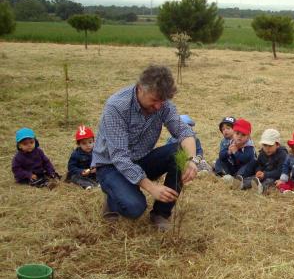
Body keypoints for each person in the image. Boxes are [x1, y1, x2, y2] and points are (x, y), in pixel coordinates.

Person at [92, 65, 198, 231]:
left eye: (162, 101)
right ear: (140, 88)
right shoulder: (117, 107)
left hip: (140, 160)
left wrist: (192, 160)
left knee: (179, 152)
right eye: (154, 100)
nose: (158, 106)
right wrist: (151, 187)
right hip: (111, 166)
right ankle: (114, 195)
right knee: (135, 208)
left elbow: (183, 131)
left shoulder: (163, 104)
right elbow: (119, 157)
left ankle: (161, 213)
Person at [218, 118, 256, 187]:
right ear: (233, 133)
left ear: (248, 137)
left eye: (243, 135)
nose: (239, 136)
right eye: (237, 133)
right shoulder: (232, 142)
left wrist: (235, 152)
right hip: (234, 167)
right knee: (221, 158)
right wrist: (228, 152)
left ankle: (238, 179)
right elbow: (221, 155)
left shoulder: (249, 147)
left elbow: (245, 159)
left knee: (252, 162)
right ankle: (222, 172)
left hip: (246, 170)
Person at [249, 128, 288, 194]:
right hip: (263, 174)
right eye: (265, 145)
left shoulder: (282, 154)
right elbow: (259, 164)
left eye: (270, 145)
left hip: (275, 177)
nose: (267, 148)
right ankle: (242, 184)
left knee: (268, 181)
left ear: (277, 144)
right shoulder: (262, 153)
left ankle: (261, 189)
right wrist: (258, 171)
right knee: (253, 178)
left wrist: (265, 174)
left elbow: (281, 171)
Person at [67, 125, 99, 189]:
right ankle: (87, 185)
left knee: (103, 172)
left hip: (93, 173)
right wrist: (81, 171)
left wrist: (97, 168)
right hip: (82, 175)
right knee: (74, 177)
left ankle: (98, 183)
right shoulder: (76, 154)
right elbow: (71, 167)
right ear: (79, 144)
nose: (88, 145)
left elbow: (100, 161)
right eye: (84, 143)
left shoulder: (96, 151)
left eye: (90, 142)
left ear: (93, 141)